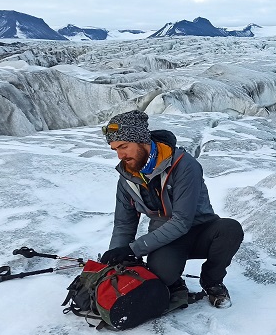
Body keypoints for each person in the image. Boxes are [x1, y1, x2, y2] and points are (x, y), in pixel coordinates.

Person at [99, 110, 244, 308]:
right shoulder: (127, 177)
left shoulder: (184, 165)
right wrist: (115, 257)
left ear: (142, 141)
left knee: (230, 229)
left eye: (124, 146)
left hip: (201, 231)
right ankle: (174, 281)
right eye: (115, 149)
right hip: (165, 238)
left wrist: (133, 249)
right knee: (162, 277)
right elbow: (124, 224)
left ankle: (212, 281)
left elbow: (181, 222)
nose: (120, 155)